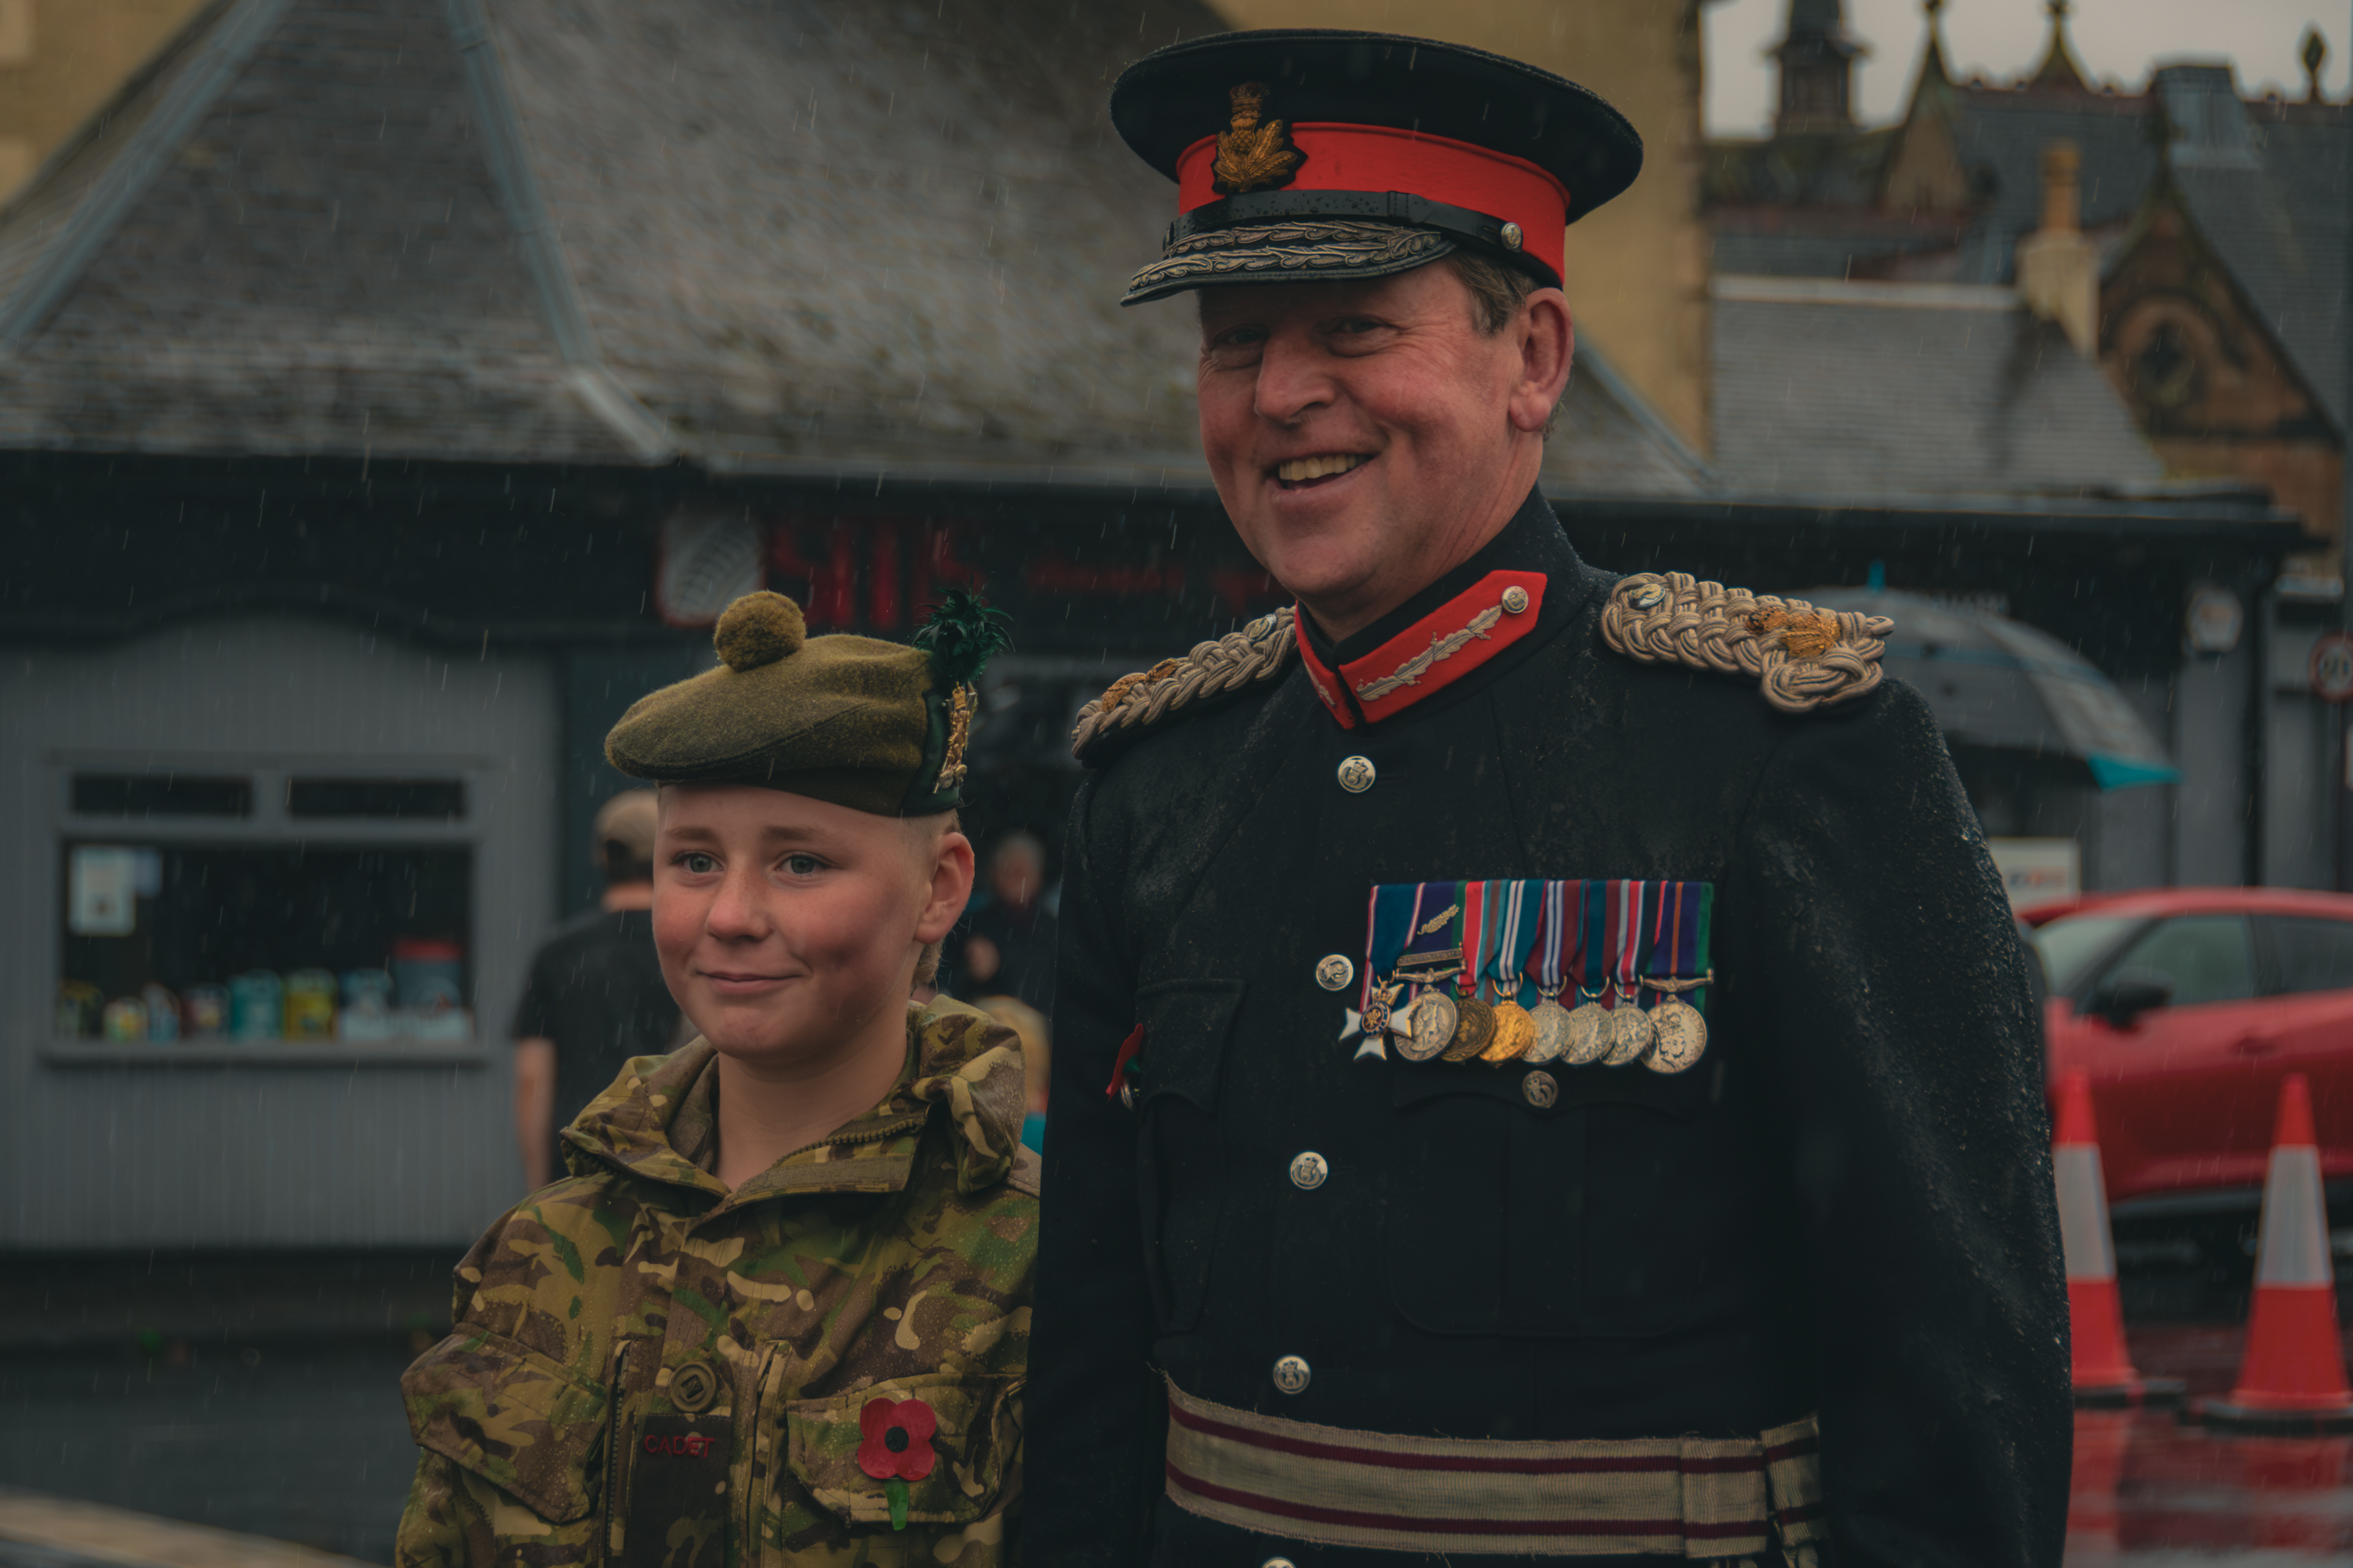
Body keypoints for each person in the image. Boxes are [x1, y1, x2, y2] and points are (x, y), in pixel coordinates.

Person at [1028, 29, 2069, 1568]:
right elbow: (1086, 1367)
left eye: (1353, 327)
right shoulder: (1156, 785)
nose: (1282, 394)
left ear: (1532, 359)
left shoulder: (1785, 760)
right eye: (1234, 343)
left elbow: (1952, 1386)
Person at [396, 589, 1036, 1567]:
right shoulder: (547, 1246)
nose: (730, 915)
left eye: (801, 863)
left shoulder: (1038, 1261)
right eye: (694, 860)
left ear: (939, 887)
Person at [510, 790, 681, 1190]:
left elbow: (532, 1079)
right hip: (673, 1162)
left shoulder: (558, 953)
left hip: (579, 1156)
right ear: (665, 856)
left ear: (604, 856)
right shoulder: (687, 948)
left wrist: (540, 1189)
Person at [958, 831, 1059, 1015]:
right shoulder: (973, 923)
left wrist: (999, 966)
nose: (1012, 879)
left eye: (1020, 872)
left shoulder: (1052, 930)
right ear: (993, 873)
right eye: (1006, 870)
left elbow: (1041, 987)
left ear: (1038, 876)